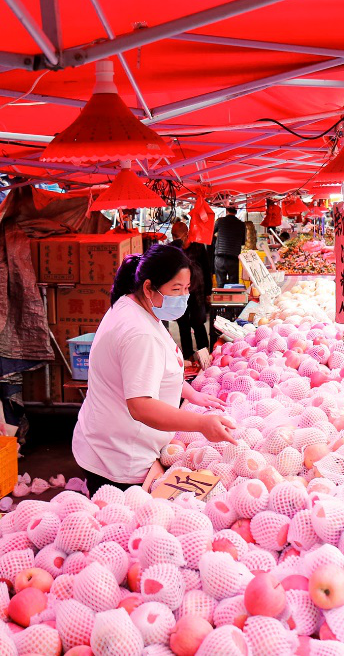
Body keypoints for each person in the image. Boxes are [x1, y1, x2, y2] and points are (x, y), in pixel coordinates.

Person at [73, 244, 236, 492]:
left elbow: (148, 371)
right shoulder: (139, 333)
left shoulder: (133, 306)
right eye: (175, 289)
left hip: (108, 441)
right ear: (149, 287)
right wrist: (201, 424)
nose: (183, 297)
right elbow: (141, 406)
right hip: (120, 456)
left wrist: (190, 393)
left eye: (186, 289)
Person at [178, 241, 214, 361]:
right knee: (183, 325)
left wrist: (208, 291)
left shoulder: (198, 247)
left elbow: (206, 268)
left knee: (198, 323)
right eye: (174, 236)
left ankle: (203, 352)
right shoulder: (174, 247)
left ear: (186, 235)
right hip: (179, 294)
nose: (177, 239)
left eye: (179, 236)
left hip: (197, 292)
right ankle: (188, 355)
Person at [211, 206, 245, 286]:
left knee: (220, 284)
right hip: (233, 258)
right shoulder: (241, 224)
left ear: (226, 211)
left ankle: (220, 297)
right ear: (236, 212)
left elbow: (210, 233)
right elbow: (243, 242)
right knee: (233, 285)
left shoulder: (220, 221)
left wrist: (217, 239)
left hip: (220, 257)